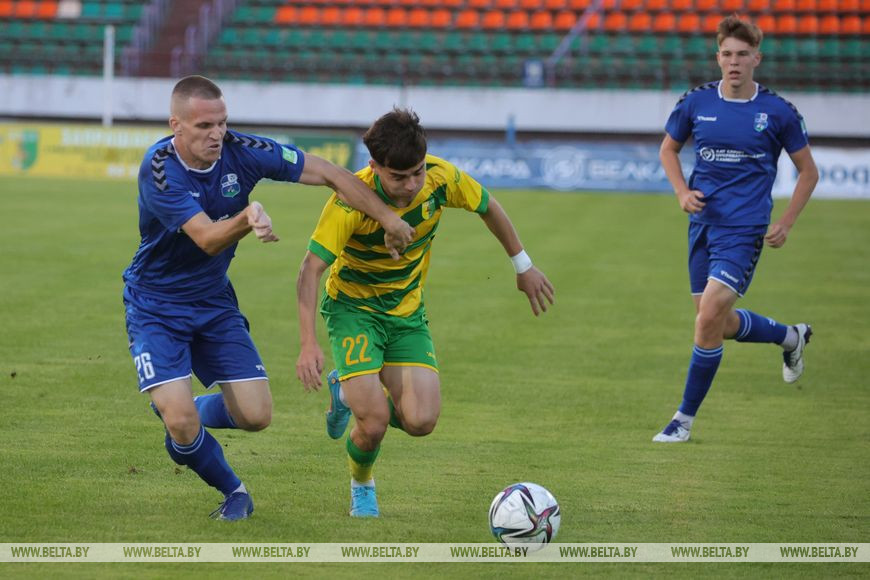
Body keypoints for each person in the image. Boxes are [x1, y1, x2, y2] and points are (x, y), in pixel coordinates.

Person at [122, 75, 414, 520]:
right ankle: (234, 491)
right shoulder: (159, 168)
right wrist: (247, 217)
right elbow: (207, 238)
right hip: (155, 305)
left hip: (213, 302)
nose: (217, 134)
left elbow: (332, 174)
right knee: (180, 423)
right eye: (204, 126)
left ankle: (183, 410)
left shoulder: (243, 150)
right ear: (175, 125)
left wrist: (389, 219)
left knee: (256, 416)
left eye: (222, 122)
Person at [295, 108, 555, 516]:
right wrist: (308, 342)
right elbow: (310, 269)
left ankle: (346, 390)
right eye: (398, 177)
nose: (412, 184)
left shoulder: (440, 177)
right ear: (374, 167)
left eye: (417, 172)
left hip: (406, 312)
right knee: (374, 424)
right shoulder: (349, 201)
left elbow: (488, 205)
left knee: (421, 421)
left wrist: (523, 266)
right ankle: (362, 484)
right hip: (353, 309)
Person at [653, 16, 819, 443]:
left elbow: (808, 172)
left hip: (744, 230)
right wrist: (681, 192)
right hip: (702, 226)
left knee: (708, 317)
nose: (734, 62)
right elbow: (668, 149)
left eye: (743, 54)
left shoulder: (777, 112)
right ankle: (790, 337)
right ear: (718, 58)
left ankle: (682, 421)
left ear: (756, 59)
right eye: (727, 54)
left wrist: (786, 222)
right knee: (717, 324)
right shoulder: (696, 102)